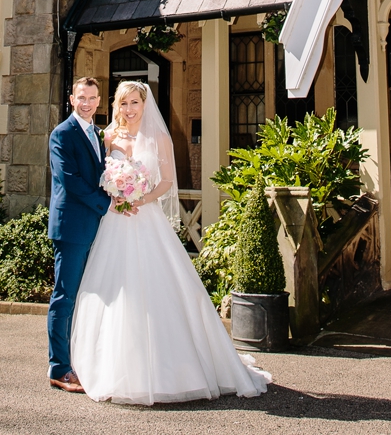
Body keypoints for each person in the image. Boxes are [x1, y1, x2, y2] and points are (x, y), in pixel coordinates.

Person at [70, 80, 270, 405]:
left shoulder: (159, 137)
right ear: (117, 106)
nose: (130, 109)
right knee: (114, 290)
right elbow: (96, 176)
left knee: (159, 289)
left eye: (135, 103)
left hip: (146, 218)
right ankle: (107, 367)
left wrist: (141, 198)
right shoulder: (107, 137)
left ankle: (174, 370)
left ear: (144, 105)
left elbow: (166, 182)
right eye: (124, 104)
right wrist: (115, 194)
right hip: (115, 222)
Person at [46, 76, 111, 392]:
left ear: (99, 101)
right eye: (81, 97)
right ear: (72, 99)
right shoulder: (62, 134)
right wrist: (106, 203)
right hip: (71, 227)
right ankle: (59, 368)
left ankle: (81, 361)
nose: (87, 103)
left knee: (90, 295)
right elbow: (69, 180)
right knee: (65, 296)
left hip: (96, 227)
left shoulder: (98, 135)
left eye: (92, 98)